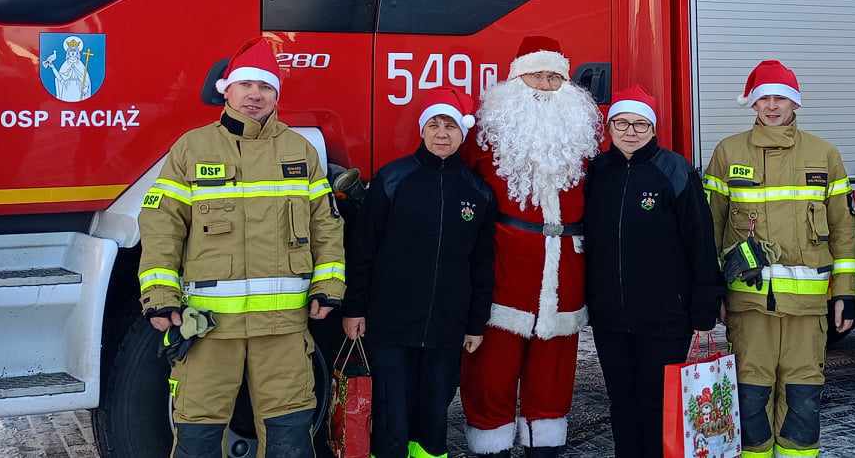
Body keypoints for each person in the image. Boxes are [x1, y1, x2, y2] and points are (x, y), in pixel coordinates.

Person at [138, 37, 344, 458]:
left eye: (265, 87)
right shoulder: (191, 149)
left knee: (289, 434)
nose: (255, 95)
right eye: (247, 85)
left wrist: (329, 285)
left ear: (276, 95)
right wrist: (159, 296)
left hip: (283, 329)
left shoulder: (299, 152)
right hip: (208, 327)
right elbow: (162, 224)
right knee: (196, 432)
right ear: (226, 89)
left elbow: (326, 223)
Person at [704, 60, 855, 458]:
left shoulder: (824, 154)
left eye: (781, 98)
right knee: (750, 392)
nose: (772, 106)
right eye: (764, 98)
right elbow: (710, 228)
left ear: (796, 103)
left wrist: (845, 292)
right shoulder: (727, 152)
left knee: (803, 394)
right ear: (753, 105)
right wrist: (711, 293)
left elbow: (844, 229)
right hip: (749, 303)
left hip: (807, 308)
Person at [460, 36, 601, 458]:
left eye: (555, 76)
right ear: (516, 78)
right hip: (505, 266)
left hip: (566, 270)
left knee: (553, 369)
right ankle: (490, 445)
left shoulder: (585, 133)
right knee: (491, 368)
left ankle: (545, 445)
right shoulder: (487, 130)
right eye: (536, 75)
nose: (544, 84)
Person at [343, 88, 496, 458]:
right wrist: (354, 309)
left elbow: (483, 263)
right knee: (391, 413)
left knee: (434, 413)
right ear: (422, 130)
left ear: (463, 132)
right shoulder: (393, 179)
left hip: (447, 326)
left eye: (450, 126)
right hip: (391, 323)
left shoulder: (477, 192)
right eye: (434, 125)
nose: (442, 134)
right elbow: (363, 250)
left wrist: (476, 323)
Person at [584, 85, 723, 458]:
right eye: (622, 123)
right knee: (621, 402)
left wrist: (703, 306)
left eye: (640, 125)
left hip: (664, 317)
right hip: (610, 315)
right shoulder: (597, 172)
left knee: (657, 403)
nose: (630, 131)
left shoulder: (674, 170)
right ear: (609, 127)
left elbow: (700, 240)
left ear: (653, 129)